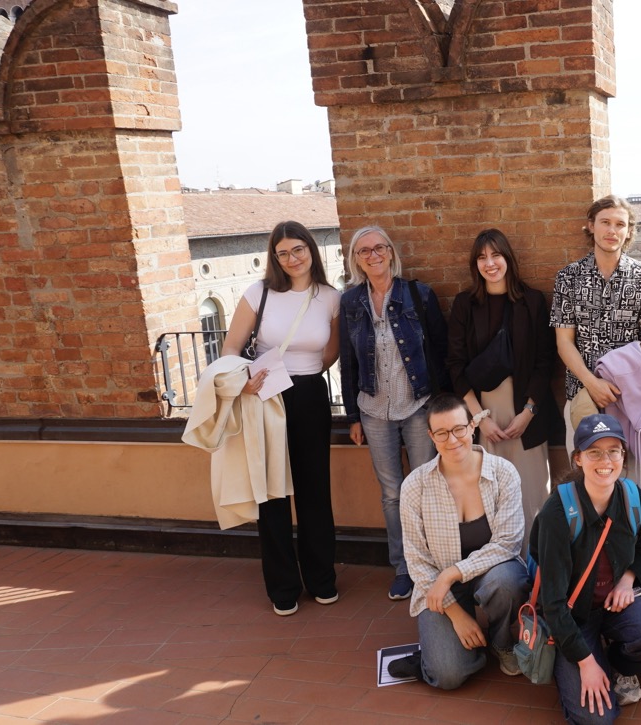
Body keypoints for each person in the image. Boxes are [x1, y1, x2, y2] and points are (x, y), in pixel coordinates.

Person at [220, 220, 341, 616]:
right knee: (271, 492)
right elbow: (231, 348)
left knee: (314, 490)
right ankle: (283, 587)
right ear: (274, 257)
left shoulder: (330, 297)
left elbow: (330, 354)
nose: (292, 258)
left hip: (309, 393)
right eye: (282, 252)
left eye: (298, 249)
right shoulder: (259, 294)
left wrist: (303, 374)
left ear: (311, 249)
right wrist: (246, 380)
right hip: (266, 396)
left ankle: (321, 579)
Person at [530, 414, 641, 724]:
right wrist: (585, 662)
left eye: (614, 450)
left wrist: (627, 579)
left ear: (624, 456)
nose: (605, 460)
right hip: (573, 615)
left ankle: (617, 664)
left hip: (616, 604)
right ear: (578, 458)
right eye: (594, 451)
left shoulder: (636, 499)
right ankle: (583, 658)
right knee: (596, 719)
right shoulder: (557, 513)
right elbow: (554, 603)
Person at [339, 225, 450, 601]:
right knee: (392, 494)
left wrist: (440, 405)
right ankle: (403, 566)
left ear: (390, 252)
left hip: (419, 407)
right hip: (373, 410)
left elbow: (440, 351)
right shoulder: (351, 301)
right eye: (364, 251)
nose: (373, 255)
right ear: (356, 259)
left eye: (379, 248)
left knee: (425, 487)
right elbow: (348, 360)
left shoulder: (418, 295)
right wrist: (353, 415)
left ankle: (431, 563)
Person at [389, 394, 530, 689]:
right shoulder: (415, 485)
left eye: (458, 429)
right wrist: (456, 614)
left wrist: (452, 573)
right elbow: (416, 560)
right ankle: (444, 652)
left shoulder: (503, 473)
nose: (452, 440)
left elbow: (508, 543)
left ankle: (501, 641)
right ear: (431, 436)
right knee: (447, 675)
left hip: (488, 575)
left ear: (472, 427)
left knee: (507, 581)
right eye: (441, 433)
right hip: (440, 585)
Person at [447, 229, 562, 551]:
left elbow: (544, 362)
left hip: (527, 415)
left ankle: (534, 571)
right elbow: (455, 365)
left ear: (507, 258)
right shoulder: (464, 305)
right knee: (489, 497)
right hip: (483, 416)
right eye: (482, 257)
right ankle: (499, 570)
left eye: (495, 255)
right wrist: (480, 419)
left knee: (533, 496)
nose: (490, 263)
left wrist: (528, 412)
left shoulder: (533, 301)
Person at [551, 195, 641, 455]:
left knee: (631, 478)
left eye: (620, 224)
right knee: (586, 473)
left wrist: (617, 380)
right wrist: (593, 383)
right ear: (591, 225)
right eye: (605, 222)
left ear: (628, 232)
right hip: (582, 394)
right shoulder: (568, 278)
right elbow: (564, 342)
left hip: (631, 395)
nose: (612, 230)